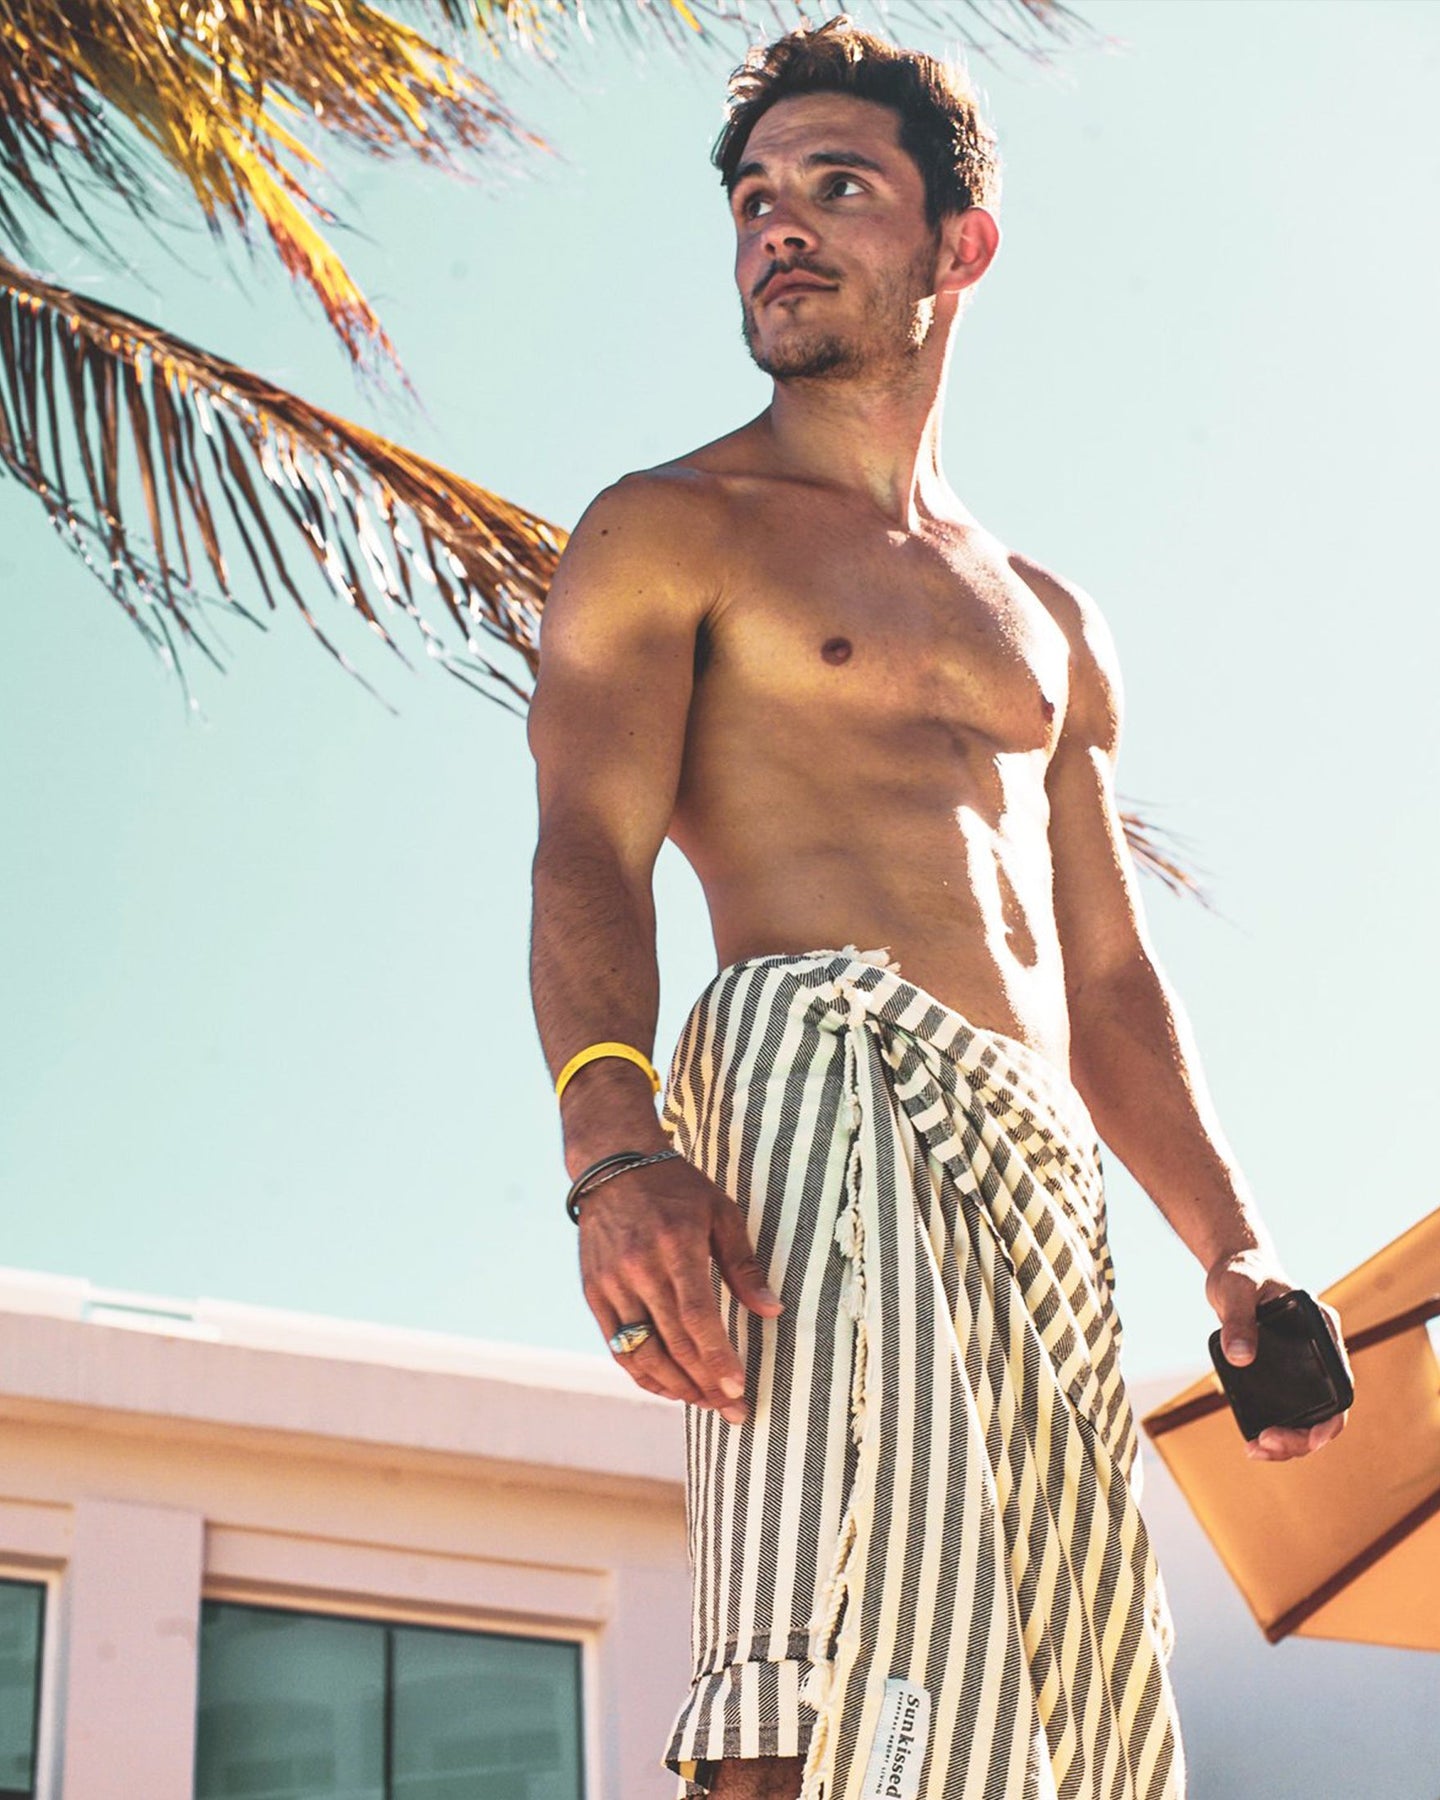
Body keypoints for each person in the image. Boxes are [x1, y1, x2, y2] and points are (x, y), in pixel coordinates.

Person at [526, 19, 1350, 1800]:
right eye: (755, 197)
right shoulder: (673, 526)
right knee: (821, 1673)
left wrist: (1234, 1247)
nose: (779, 227)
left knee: (1061, 1718)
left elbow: (1105, 970)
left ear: (958, 246)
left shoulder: (1049, 619)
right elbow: (586, 842)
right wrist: (613, 1144)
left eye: (838, 187)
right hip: (818, 1076)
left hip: (1039, 1175)